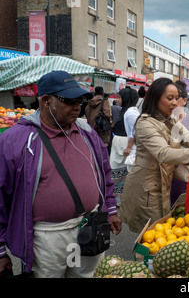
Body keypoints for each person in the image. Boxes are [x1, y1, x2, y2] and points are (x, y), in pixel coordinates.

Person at [0, 70, 121, 278]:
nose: (77, 107)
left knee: (86, 275)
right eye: (69, 100)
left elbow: (104, 173)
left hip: (88, 227)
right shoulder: (15, 140)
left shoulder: (87, 133)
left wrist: (110, 209)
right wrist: (1, 250)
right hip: (48, 238)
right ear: (46, 101)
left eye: (80, 100)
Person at [119, 78, 189, 233]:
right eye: (169, 98)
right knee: (149, 237)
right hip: (146, 190)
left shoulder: (169, 120)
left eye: (176, 98)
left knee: (161, 233)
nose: (174, 103)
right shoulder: (145, 123)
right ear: (155, 97)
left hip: (163, 184)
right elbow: (164, 153)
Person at [109, 87, 139, 206]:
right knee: (117, 171)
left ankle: (122, 199)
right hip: (119, 145)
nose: (118, 100)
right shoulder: (126, 111)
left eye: (120, 97)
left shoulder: (131, 113)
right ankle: (118, 199)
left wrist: (129, 147)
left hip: (125, 146)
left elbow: (134, 131)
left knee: (120, 172)